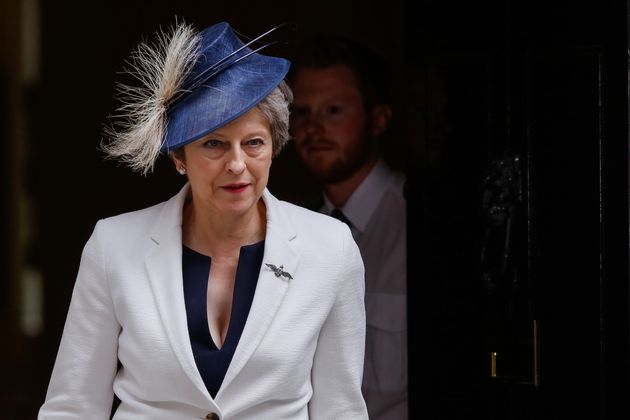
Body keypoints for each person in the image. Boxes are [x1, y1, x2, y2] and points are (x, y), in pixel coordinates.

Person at [38, 21, 368, 420]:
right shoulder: (113, 246)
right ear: (179, 157)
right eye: (213, 143)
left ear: (274, 146)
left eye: (253, 143)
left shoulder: (331, 248)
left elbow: (341, 410)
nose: (236, 164)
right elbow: (72, 408)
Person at [288, 34, 408, 420]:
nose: (313, 127)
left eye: (333, 110)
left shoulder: (418, 222)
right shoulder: (289, 233)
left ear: (378, 119)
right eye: (302, 112)